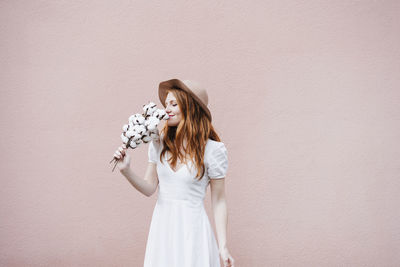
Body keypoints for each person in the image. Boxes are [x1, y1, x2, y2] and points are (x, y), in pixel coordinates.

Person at [114, 78, 235, 267]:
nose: (166, 109)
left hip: (193, 231)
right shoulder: (158, 143)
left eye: (173, 104)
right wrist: (126, 170)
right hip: (163, 230)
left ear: (191, 107)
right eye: (165, 104)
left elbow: (219, 200)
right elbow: (149, 188)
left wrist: (223, 246)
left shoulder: (213, 150)